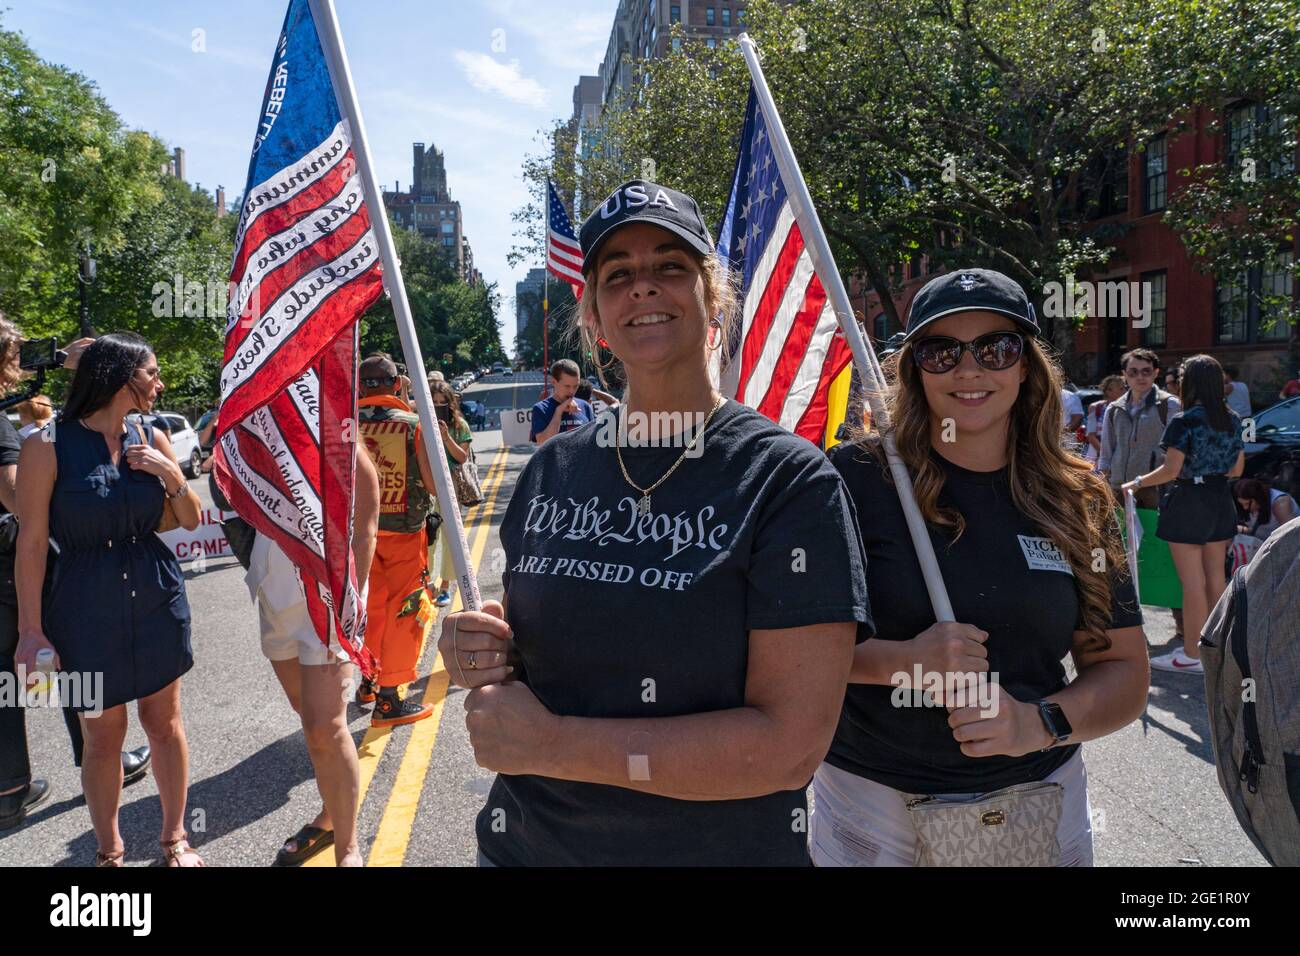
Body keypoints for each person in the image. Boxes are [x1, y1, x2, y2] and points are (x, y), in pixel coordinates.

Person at [438, 180, 869, 866]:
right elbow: (524, 661)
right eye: (618, 275)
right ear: (597, 318)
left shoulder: (790, 482)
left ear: (713, 297)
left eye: (670, 266)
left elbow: (787, 749)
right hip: (524, 848)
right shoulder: (552, 472)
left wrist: (552, 745)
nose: (643, 287)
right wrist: (474, 650)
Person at [816, 268, 1147, 867]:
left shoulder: (1080, 501)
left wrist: (1039, 722)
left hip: (1039, 801)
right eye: (941, 351)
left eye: (996, 348)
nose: (970, 370)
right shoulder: (852, 479)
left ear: (1027, 366)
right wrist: (900, 662)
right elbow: (789, 652)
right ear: (914, 368)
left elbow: (1123, 671)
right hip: (871, 805)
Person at [14, 333, 204, 866]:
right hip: (84, 608)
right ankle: (110, 852)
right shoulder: (45, 445)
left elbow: (189, 518)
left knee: (164, 724)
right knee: (102, 737)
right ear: (123, 379)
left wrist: (170, 475)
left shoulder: (154, 434)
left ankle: (174, 840)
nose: (160, 383)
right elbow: (30, 544)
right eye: (152, 373)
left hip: (156, 596)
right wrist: (32, 630)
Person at [0, 322, 148, 833]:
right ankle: (96, 759)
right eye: (18, 353)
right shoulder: (7, 425)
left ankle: (16, 787)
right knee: (59, 665)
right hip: (15, 570)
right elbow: (16, 502)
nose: (24, 363)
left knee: (18, 680)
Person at [248, 443, 380, 867]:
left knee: (328, 727)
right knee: (310, 720)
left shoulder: (339, 430)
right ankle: (331, 813)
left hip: (329, 599)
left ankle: (348, 847)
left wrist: (348, 601)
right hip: (277, 595)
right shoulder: (257, 421)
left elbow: (366, 524)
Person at [1123, 354, 1245, 675]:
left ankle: (1192, 653)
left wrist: (1135, 482)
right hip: (1220, 499)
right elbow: (1237, 469)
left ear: (1189, 382)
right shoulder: (1232, 418)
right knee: (1216, 579)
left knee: (1191, 584)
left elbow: (1170, 470)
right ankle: (1217, 650)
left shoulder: (1184, 420)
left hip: (1189, 500)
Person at [355, 354, 436, 727]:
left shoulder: (343, 425)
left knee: (370, 608)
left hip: (359, 535)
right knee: (405, 610)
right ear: (396, 384)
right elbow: (433, 484)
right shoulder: (413, 425)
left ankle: (368, 679)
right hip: (405, 534)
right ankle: (389, 698)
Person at [1099, 348, 1181, 509]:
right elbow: (1106, 453)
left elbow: (1175, 452)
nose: (1140, 377)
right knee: (1120, 534)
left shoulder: (1169, 405)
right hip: (1119, 488)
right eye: (1133, 372)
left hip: (1155, 489)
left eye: (1146, 371)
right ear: (1125, 374)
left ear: (1156, 373)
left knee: (1152, 534)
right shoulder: (1114, 408)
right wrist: (1103, 483)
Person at [427, 378, 472, 608]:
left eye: (442, 402)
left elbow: (462, 458)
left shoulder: (459, 426)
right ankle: (426, 582)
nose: (438, 406)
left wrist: (445, 437)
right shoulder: (422, 422)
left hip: (450, 487)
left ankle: (444, 587)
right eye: (433, 402)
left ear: (451, 403)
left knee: (450, 538)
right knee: (426, 539)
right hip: (426, 487)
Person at [529, 358, 593, 444]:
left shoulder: (585, 406)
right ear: (554, 382)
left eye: (575, 386)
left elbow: (592, 442)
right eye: (567, 386)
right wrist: (558, 412)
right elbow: (542, 442)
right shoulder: (541, 408)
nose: (572, 391)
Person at [1234, 477, 1298, 542]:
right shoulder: (1252, 507)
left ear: (1257, 497)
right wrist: (1241, 530)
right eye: (1242, 504)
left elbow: (1291, 533)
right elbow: (1259, 531)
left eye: (1248, 504)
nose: (1245, 508)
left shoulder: (1280, 504)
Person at [1083, 375, 1124, 469]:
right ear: (1108, 391)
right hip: (1096, 455)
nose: (1124, 391)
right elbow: (1091, 435)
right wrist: (1106, 454)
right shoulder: (1096, 407)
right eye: (1120, 389)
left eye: (1124, 388)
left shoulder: (1127, 408)